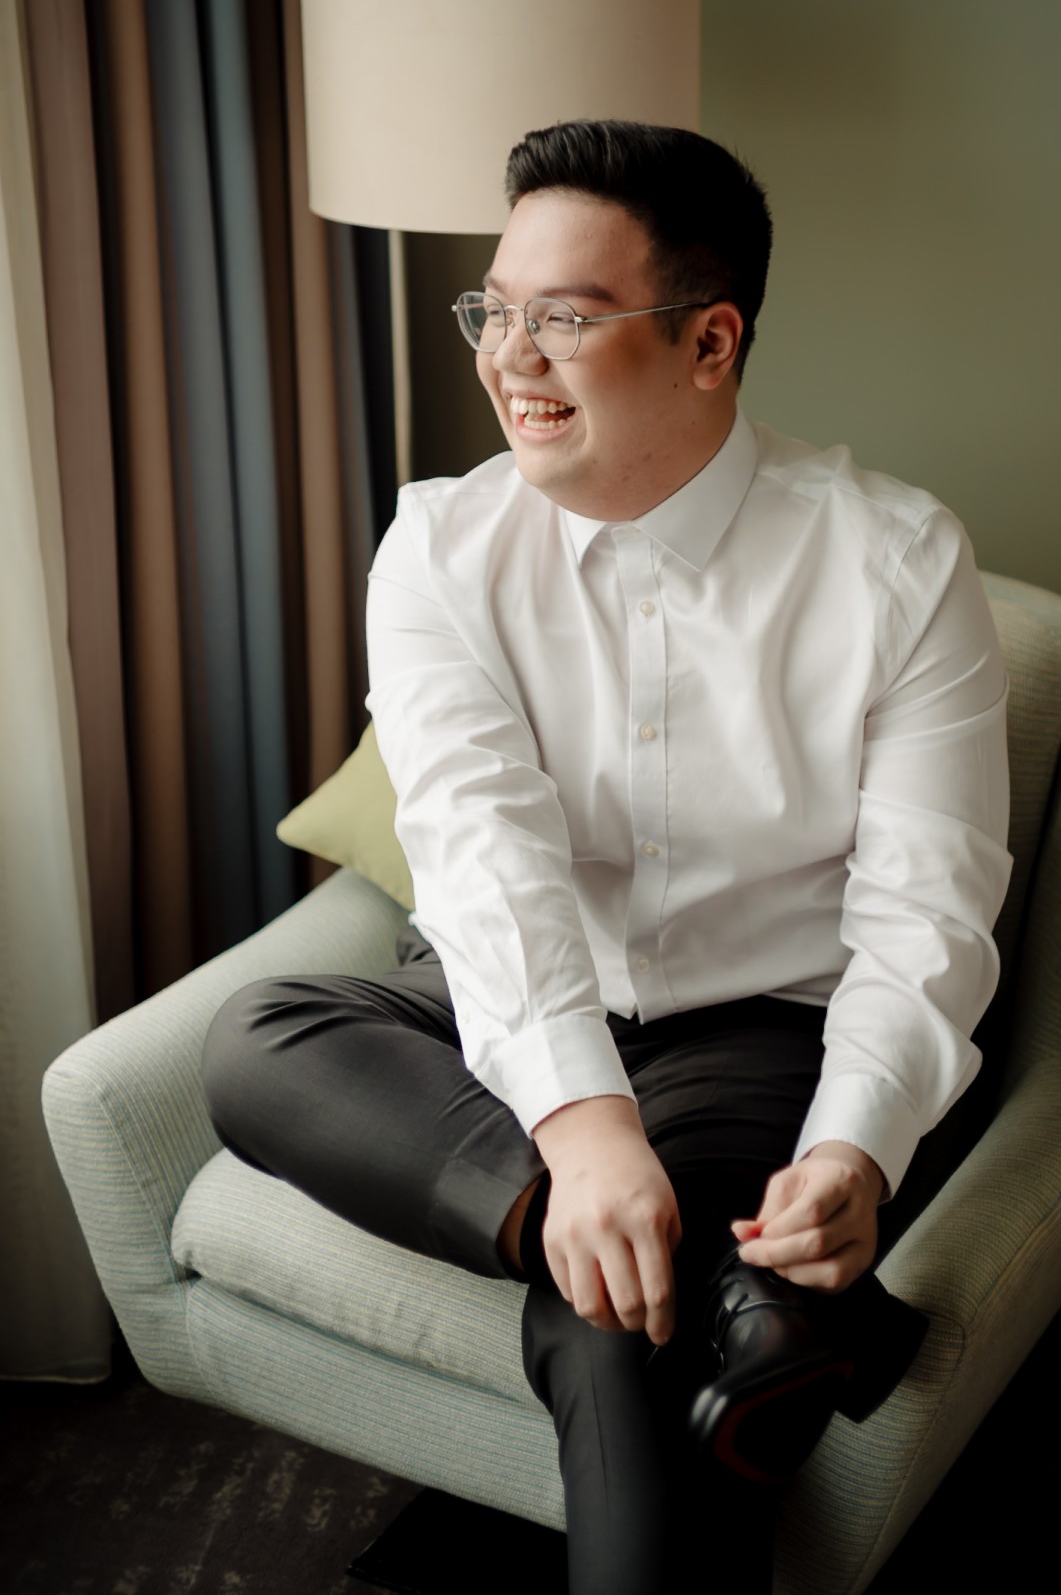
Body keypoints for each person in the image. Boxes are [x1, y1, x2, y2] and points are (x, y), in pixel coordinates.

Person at [201, 120, 1013, 1595]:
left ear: (711, 342)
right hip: (517, 1000)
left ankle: (710, 1276)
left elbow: (928, 912)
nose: (508, 357)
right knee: (259, 1038)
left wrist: (852, 1151)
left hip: (759, 1028)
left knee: (607, 1321)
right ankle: (745, 1296)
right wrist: (580, 1140)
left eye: (564, 319)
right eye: (494, 309)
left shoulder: (895, 563)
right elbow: (479, 850)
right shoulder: (440, 549)